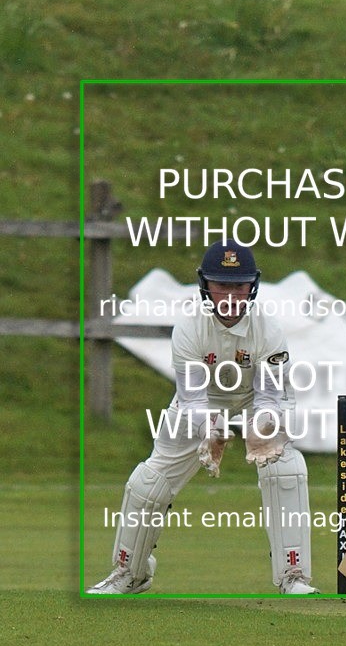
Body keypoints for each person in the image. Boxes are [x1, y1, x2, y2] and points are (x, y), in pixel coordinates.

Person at [87, 239, 318, 595]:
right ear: (205, 285)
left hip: (255, 401)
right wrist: (210, 427)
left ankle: (294, 576)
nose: (229, 296)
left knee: (285, 467)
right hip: (199, 406)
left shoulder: (269, 329)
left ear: (251, 286)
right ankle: (129, 573)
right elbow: (191, 398)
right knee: (150, 482)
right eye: (221, 285)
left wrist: (264, 425)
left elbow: (271, 394)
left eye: (238, 286)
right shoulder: (189, 328)